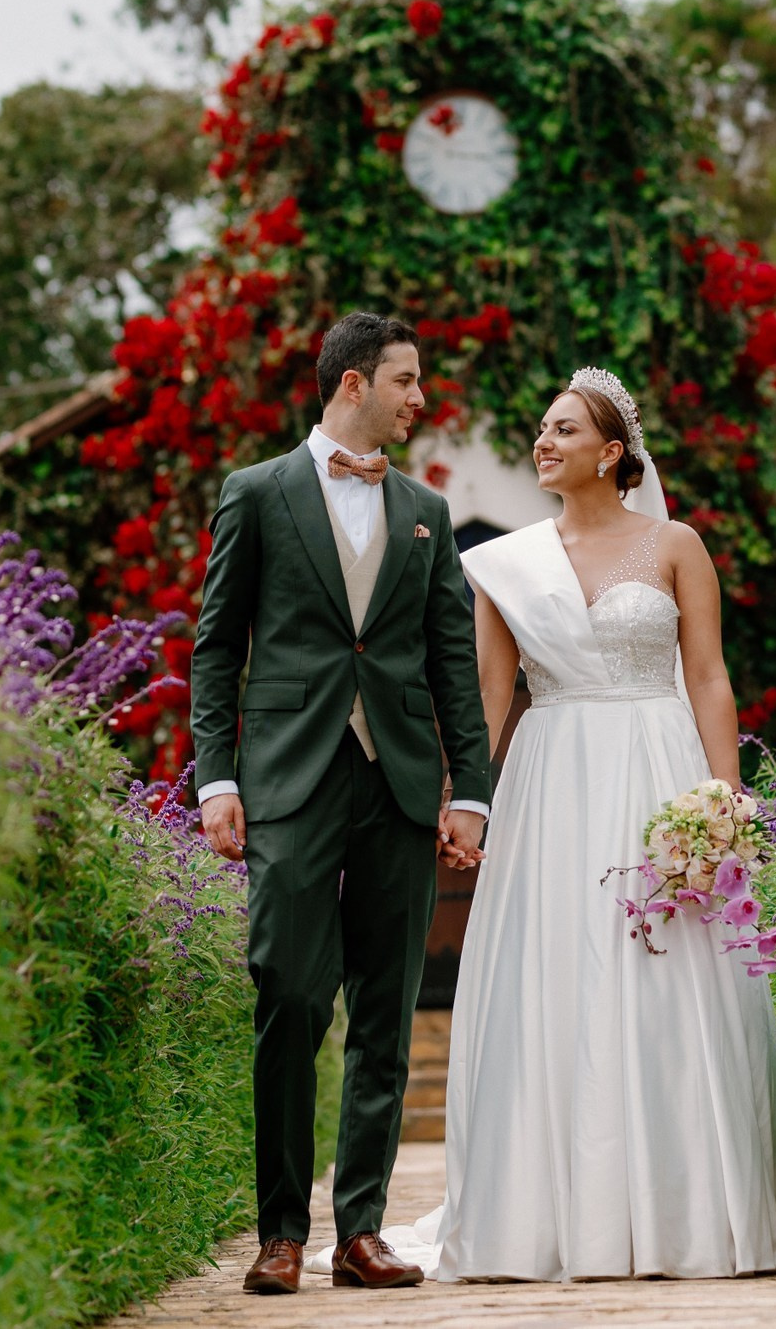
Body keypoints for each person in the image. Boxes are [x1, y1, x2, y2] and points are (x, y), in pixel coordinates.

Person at [427, 366, 776, 1280]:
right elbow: (490, 691)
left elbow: (707, 676)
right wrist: (465, 796)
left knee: (666, 977)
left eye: (563, 429)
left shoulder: (675, 543)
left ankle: (684, 1212)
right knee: (558, 973)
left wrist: (726, 802)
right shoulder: (505, 563)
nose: (543, 443)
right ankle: (557, 1215)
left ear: (613, 452)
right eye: (541, 429)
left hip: (657, 767)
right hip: (553, 779)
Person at [188, 311, 493, 1295]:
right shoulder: (257, 492)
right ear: (353, 384)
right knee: (286, 986)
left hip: (398, 777)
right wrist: (217, 774)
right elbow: (215, 643)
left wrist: (471, 790)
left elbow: (452, 660)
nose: (418, 398)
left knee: (384, 1006)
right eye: (405, 380)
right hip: (288, 771)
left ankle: (358, 1227)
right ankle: (280, 1227)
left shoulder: (425, 512)